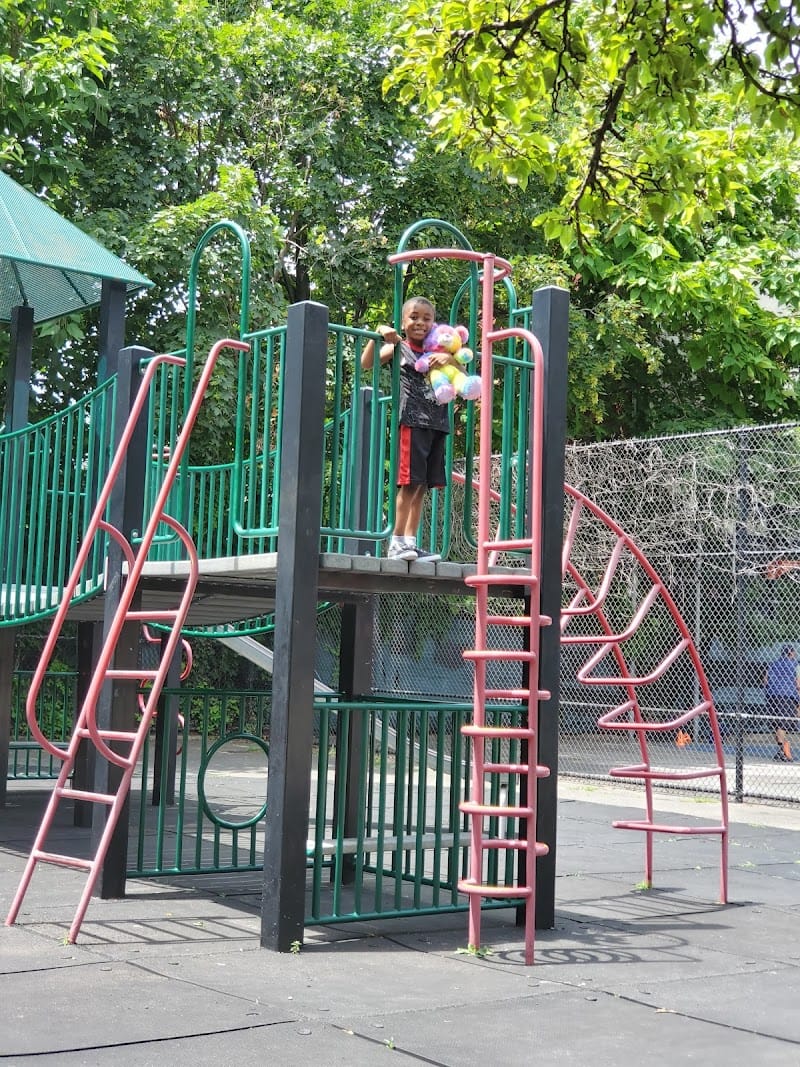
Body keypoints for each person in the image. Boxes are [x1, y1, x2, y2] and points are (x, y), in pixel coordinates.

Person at [361, 296, 454, 562]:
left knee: (423, 485)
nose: (420, 323)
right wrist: (378, 333)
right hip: (413, 422)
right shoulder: (400, 347)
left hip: (438, 423)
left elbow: (462, 370)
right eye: (414, 317)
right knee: (410, 483)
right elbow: (368, 364)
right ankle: (397, 542)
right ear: (403, 322)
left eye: (426, 318)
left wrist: (446, 359)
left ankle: (411, 542)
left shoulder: (439, 350)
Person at [763, 645, 800, 762]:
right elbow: (798, 683)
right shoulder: (795, 665)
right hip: (788, 695)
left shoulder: (773, 664)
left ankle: (782, 749)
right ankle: (784, 750)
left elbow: (765, 680)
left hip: (772, 696)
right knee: (783, 724)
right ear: (792, 653)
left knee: (778, 723)